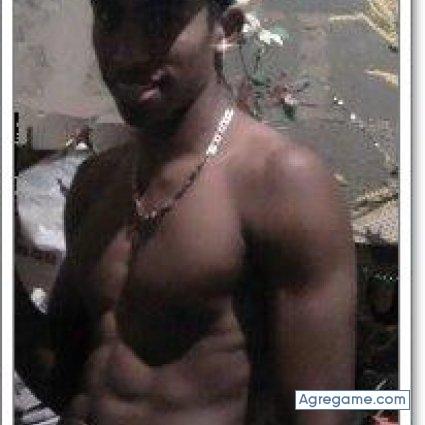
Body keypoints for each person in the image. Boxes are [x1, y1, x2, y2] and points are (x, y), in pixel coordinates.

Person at [15, 0, 356, 424]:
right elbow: (67, 384)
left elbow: (325, 410)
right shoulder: (95, 182)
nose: (125, 52)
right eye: (109, 16)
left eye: (160, 19)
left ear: (226, 29)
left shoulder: (282, 182)